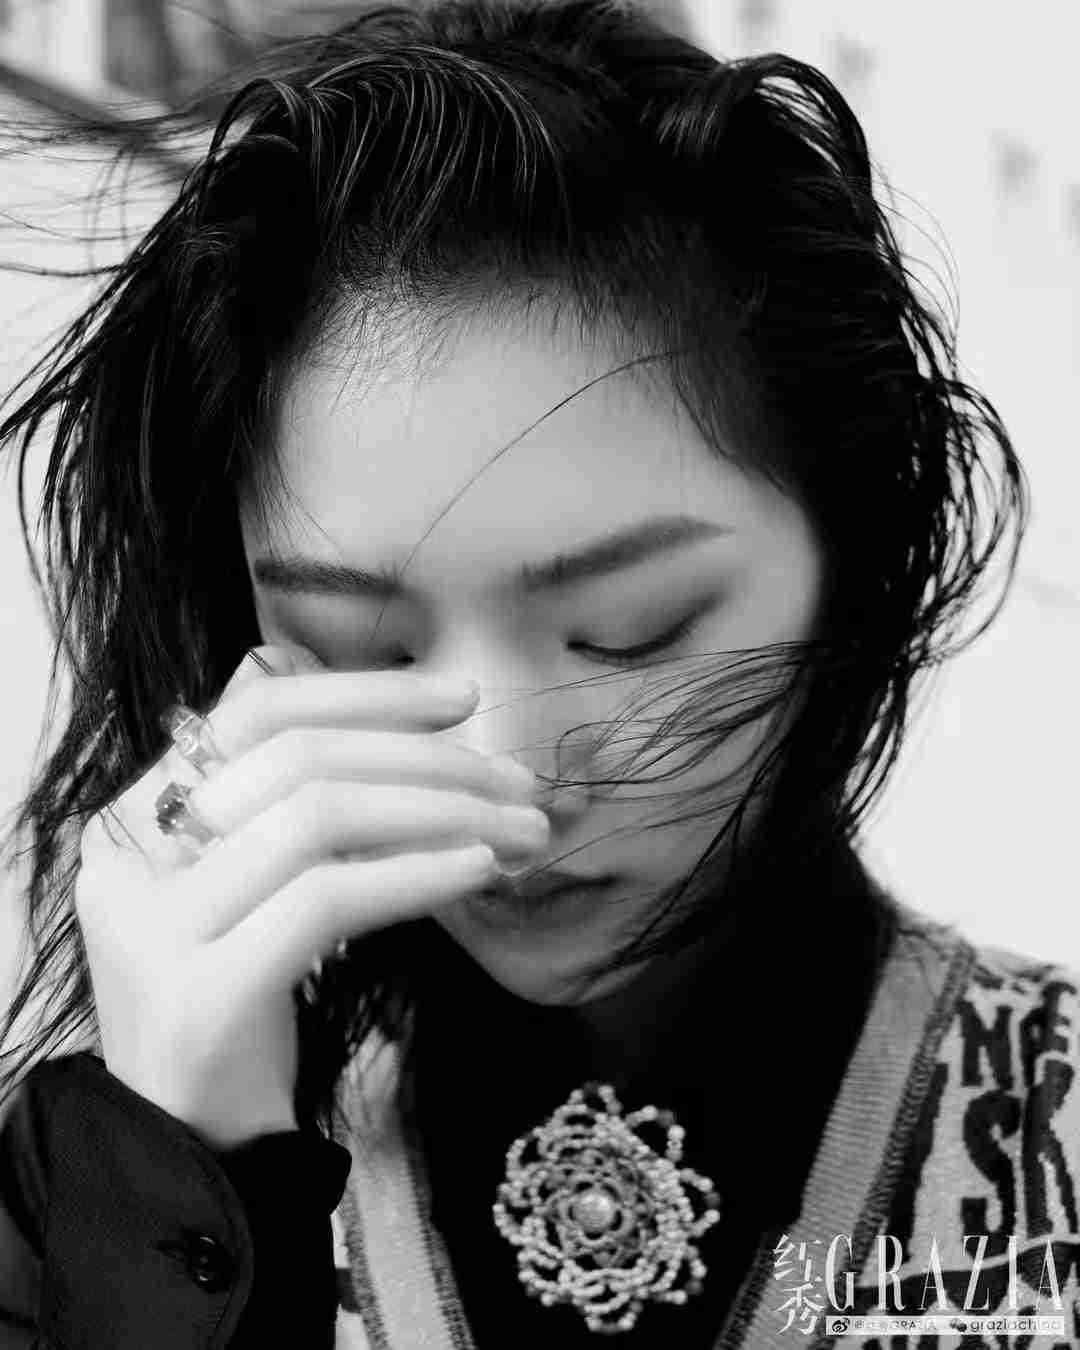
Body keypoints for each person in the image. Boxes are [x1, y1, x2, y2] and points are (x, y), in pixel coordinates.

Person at [0, 1, 1075, 1347]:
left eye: (631, 626)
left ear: (850, 555)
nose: (508, 778)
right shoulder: (82, 1199)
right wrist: (187, 1182)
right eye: (359, 648)